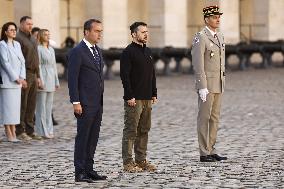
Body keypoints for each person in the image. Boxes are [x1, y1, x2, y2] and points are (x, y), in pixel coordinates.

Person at [68, 19, 106, 182]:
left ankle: (89, 169)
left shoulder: (97, 50)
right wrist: (75, 102)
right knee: (83, 137)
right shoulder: (78, 51)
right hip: (84, 103)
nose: (99, 34)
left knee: (93, 137)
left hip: (97, 102)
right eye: (97, 31)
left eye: (100, 31)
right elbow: (72, 78)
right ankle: (80, 171)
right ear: (86, 32)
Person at [191, 5, 227, 162]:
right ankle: (204, 152)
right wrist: (202, 86)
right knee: (204, 118)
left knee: (215, 118)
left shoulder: (220, 36)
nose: (217, 19)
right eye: (214, 17)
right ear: (206, 19)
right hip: (207, 85)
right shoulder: (201, 37)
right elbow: (198, 63)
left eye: (219, 16)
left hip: (218, 83)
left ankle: (211, 149)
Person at [120, 22, 157, 172]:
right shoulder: (128, 52)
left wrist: (154, 92)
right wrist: (129, 95)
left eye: (147, 32)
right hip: (134, 98)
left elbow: (152, 74)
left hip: (147, 97)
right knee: (131, 130)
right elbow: (125, 76)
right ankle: (128, 163)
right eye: (142, 32)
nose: (146, 34)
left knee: (144, 129)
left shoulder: (147, 51)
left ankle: (141, 160)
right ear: (134, 34)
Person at [15, 16, 42, 141]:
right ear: (21, 24)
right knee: (22, 104)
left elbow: (36, 59)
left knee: (31, 104)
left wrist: (38, 77)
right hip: (24, 74)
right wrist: (21, 77)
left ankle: (30, 130)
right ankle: (20, 131)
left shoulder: (32, 38)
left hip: (33, 74)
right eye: (27, 24)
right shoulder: (17, 38)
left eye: (31, 24)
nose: (30, 26)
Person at [0, 22, 27, 142]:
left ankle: (14, 132)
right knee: (7, 108)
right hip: (8, 81)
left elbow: (22, 61)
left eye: (14, 29)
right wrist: (16, 78)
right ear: (5, 32)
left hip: (18, 81)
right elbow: (5, 63)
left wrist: (22, 77)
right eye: (11, 30)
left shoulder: (17, 44)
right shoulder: (2, 45)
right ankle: (8, 132)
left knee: (15, 109)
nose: (14, 31)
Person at [35, 29, 60, 139]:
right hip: (43, 77)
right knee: (41, 107)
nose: (47, 36)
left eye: (48, 34)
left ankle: (49, 129)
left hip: (51, 78)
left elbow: (54, 66)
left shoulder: (51, 49)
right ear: (40, 36)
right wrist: (40, 79)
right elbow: (38, 65)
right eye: (45, 34)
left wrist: (56, 81)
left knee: (49, 107)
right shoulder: (38, 49)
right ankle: (42, 131)